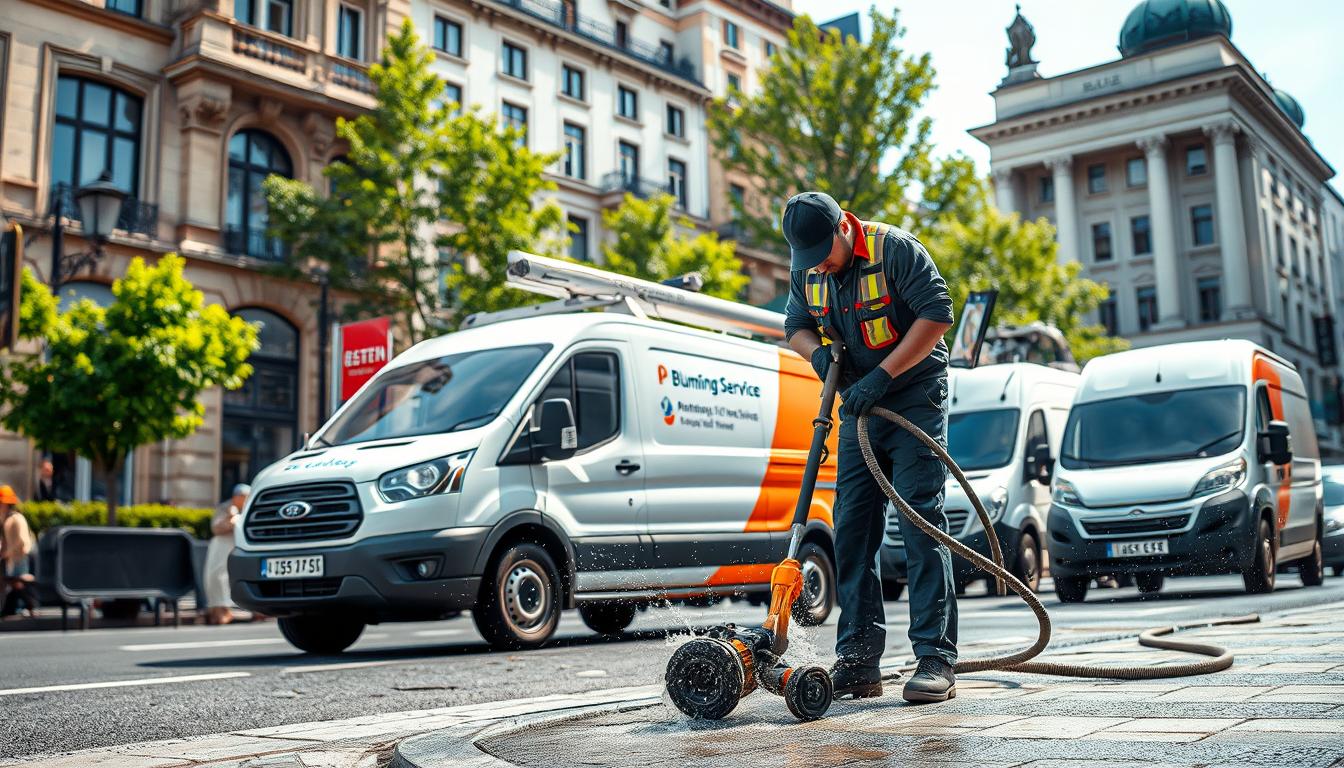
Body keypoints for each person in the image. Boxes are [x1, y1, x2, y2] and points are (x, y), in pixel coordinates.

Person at [782, 191, 958, 704]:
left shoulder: (893, 249)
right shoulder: (809, 268)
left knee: (918, 519)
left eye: (824, 252)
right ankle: (858, 662)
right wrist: (817, 357)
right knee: (852, 529)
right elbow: (795, 326)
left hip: (913, 397)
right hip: (858, 405)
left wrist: (882, 375)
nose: (818, 265)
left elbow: (937, 315)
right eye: (807, 259)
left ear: (843, 228)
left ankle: (934, 659)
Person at [204, 484, 249, 625]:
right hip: (221, 546)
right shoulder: (225, 508)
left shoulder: (249, 507)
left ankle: (225, 610)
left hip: (237, 546)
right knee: (215, 576)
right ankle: (217, 611)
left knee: (226, 577)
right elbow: (216, 528)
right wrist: (231, 518)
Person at [0, 485, 37, 618]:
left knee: (18, 581)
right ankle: (11, 608)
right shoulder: (7, 518)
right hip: (14, 557)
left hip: (21, 556)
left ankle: (30, 605)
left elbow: (21, 540)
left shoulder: (16, 518)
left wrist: (8, 552)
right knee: (15, 582)